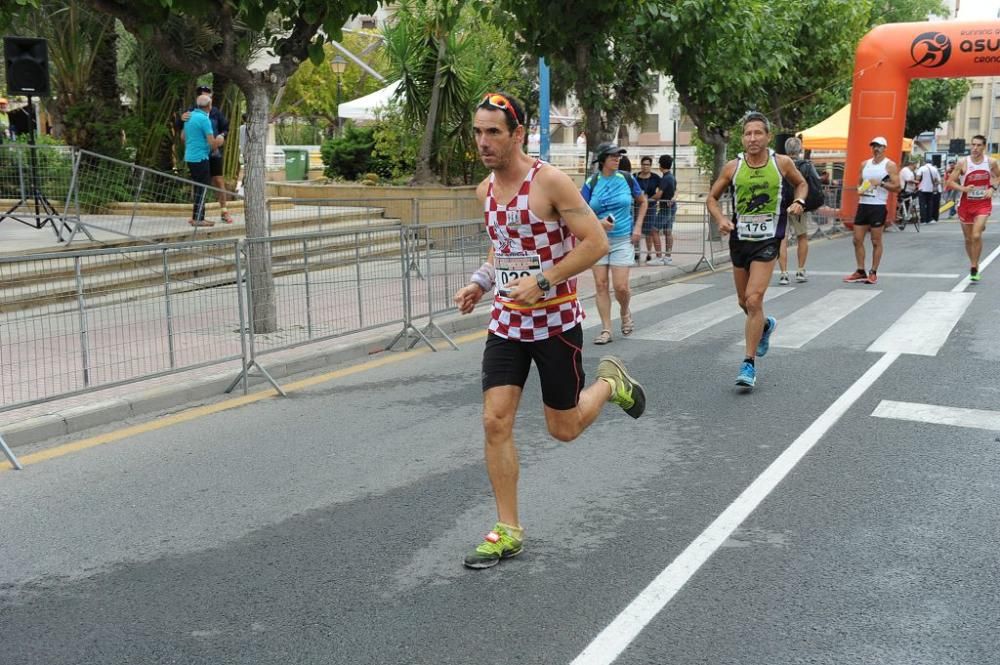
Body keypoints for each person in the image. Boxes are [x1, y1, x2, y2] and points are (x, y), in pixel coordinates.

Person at [453, 92, 646, 569]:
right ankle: (507, 529)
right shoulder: (485, 192)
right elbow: (503, 248)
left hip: (556, 322)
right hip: (507, 323)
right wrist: (481, 283)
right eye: (478, 132)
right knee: (494, 420)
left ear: (517, 134)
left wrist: (543, 281)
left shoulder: (550, 183)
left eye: (493, 131)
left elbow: (596, 242)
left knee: (564, 428)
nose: (483, 141)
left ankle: (610, 383)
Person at [707, 111, 807, 388]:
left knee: (753, 300)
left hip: (768, 240)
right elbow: (712, 199)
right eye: (748, 133)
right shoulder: (732, 167)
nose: (752, 138)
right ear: (743, 138)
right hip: (740, 241)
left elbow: (801, 183)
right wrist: (721, 219)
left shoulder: (782, 163)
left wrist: (799, 200)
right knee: (744, 302)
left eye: (758, 133)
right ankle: (764, 326)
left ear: (768, 137)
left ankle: (748, 364)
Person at [581, 142, 647, 344]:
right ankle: (606, 329)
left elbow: (643, 201)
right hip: (597, 240)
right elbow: (581, 211)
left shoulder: (627, 179)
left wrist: (637, 228)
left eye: (619, 156)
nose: (617, 159)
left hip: (622, 239)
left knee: (621, 287)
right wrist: (597, 223)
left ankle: (625, 311)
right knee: (601, 285)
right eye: (613, 156)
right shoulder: (591, 183)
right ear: (602, 160)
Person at [844, 136, 900, 285]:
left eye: (879, 146)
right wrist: (860, 190)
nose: (876, 149)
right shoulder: (865, 164)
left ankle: (873, 272)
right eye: (874, 146)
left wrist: (881, 183)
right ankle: (860, 270)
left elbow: (897, 187)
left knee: (876, 241)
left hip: (878, 205)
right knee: (856, 240)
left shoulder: (890, 165)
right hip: (864, 204)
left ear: (884, 148)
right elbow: (858, 183)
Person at [946, 134, 1000, 282]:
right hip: (966, 204)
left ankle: (975, 265)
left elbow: (998, 177)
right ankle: (973, 263)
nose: (975, 148)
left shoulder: (991, 162)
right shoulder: (963, 163)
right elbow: (950, 182)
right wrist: (963, 188)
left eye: (978, 145)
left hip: (983, 203)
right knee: (969, 238)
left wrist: (992, 188)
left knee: (976, 235)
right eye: (973, 145)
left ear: (984, 147)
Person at [181, 85, 233, 223]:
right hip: (202, 153)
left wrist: (222, 135)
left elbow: (226, 128)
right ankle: (198, 216)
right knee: (201, 184)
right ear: (199, 99)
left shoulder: (216, 112)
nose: (209, 98)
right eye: (206, 96)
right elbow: (182, 131)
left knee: (218, 181)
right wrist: (217, 142)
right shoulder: (190, 113)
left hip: (211, 154)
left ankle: (224, 211)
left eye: (210, 95)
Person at [777, 137, 814, 284]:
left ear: (786, 150)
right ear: (800, 150)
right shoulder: (806, 166)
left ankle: (784, 273)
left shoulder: (779, 164)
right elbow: (812, 186)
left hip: (782, 205)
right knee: (802, 237)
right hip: (799, 205)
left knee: (782, 239)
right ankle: (800, 270)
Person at [635, 156, 662, 264]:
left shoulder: (656, 178)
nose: (645, 166)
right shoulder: (635, 177)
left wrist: (652, 198)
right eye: (643, 164)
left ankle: (649, 253)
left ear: (651, 166)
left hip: (651, 207)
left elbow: (662, 190)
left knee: (649, 232)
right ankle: (636, 253)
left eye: (647, 164)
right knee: (636, 229)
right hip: (637, 207)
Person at [654, 154, 678, 265]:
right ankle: (668, 257)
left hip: (664, 208)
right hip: (672, 208)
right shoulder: (672, 177)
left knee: (654, 230)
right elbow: (676, 191)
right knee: (668, 231)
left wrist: (647, 199)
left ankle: (658, 257)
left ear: (660, 165)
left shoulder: (665, 178)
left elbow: (659, 195)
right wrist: (673, 198)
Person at [915, 156, 939, 225]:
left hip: (922, 189)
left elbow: (918, 178)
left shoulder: (922, 168)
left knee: (922, 204)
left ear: (925, 162)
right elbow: (936, 180)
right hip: (930, 189)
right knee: (930, 204)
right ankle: (929, 219)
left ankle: (923, 220)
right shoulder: (934, 169)